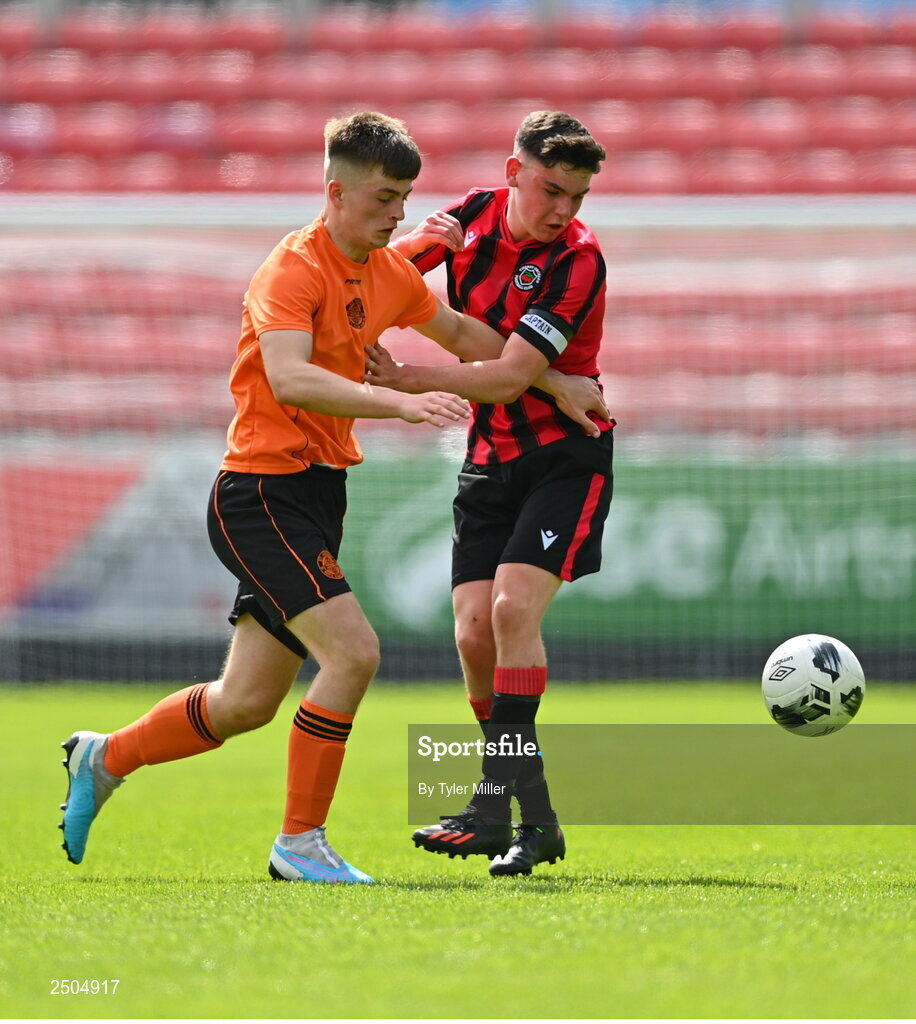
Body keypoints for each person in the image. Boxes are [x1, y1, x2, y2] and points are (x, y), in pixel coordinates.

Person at [56, 111, 595, 885]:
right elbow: (291, 377)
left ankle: (104, 757)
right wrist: (400, 403)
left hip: (317, 495)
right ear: (334, 192)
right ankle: (299, 843)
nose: (398, 214)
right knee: (355, 654)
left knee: (243, 702)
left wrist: (551, 376)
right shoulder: (292, 268)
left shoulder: (385, 271)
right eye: (382, 198)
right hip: (259, 495)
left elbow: (466, 337)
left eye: (404, 198)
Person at [365, 110, 613, 877]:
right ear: (513, 175)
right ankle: (531, 819)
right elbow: (378, 278)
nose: (564, 209)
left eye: (576, 195)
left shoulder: (578, 261)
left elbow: (506, 374)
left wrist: (408, 377)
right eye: (550, 189)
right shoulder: (468, 217)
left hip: (566, 458)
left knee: (510, 610)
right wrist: (414, 248)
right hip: (489, 455)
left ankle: (488, 803)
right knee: (473, 633)